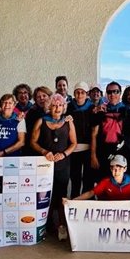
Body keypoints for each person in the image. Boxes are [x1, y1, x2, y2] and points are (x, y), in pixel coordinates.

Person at [30, 94, 77, 241]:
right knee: (44, 197)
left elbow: (74, 143)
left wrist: (64, 154)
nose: (57, 108)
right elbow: (32, 142)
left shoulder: (68, 122)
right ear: (49, 107)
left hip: (63, 165)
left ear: (64, 107)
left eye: (60, 105)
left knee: (61, 195)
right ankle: (45, 226)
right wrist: (44, 152)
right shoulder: (41, 121)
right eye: (54, 105)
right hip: (44, 165)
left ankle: (62, 226)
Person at [90, 81, 130, 184]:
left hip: (121, 152)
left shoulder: (126, 111)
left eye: (115, 91)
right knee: (103, 183)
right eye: (109, 92)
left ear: (120, 93)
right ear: (106, 94)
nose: (112, 94)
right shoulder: (101, 111)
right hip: (103, 153)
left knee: (119, 183)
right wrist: (93, 156)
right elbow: (94, 134)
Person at [66, 155, 130, 201]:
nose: (116, 171)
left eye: (120, 168)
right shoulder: (106, 182)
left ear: (125, 169)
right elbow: (91, 193)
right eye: (114, 168)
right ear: (110, 169)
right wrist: (73, 201)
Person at [67, 82, 94, 197]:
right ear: (74, 94)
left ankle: (88, 202)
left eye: (82, 92)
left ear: (87, 94)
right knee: (75, 178)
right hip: (74, 149)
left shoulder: (93, 108)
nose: (79, 95)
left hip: (88, 148)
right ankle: (74, 201)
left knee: (88, 178)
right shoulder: (69, 107)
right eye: (77, 92)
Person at [23, 86, 52, 154]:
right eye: (38, 97)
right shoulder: (32, 112)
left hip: (51, 149)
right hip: (35, 149)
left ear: (49, 97)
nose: (41, 98)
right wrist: (45, 111)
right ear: (35, 100)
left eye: (44, 96)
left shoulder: (56, 110)